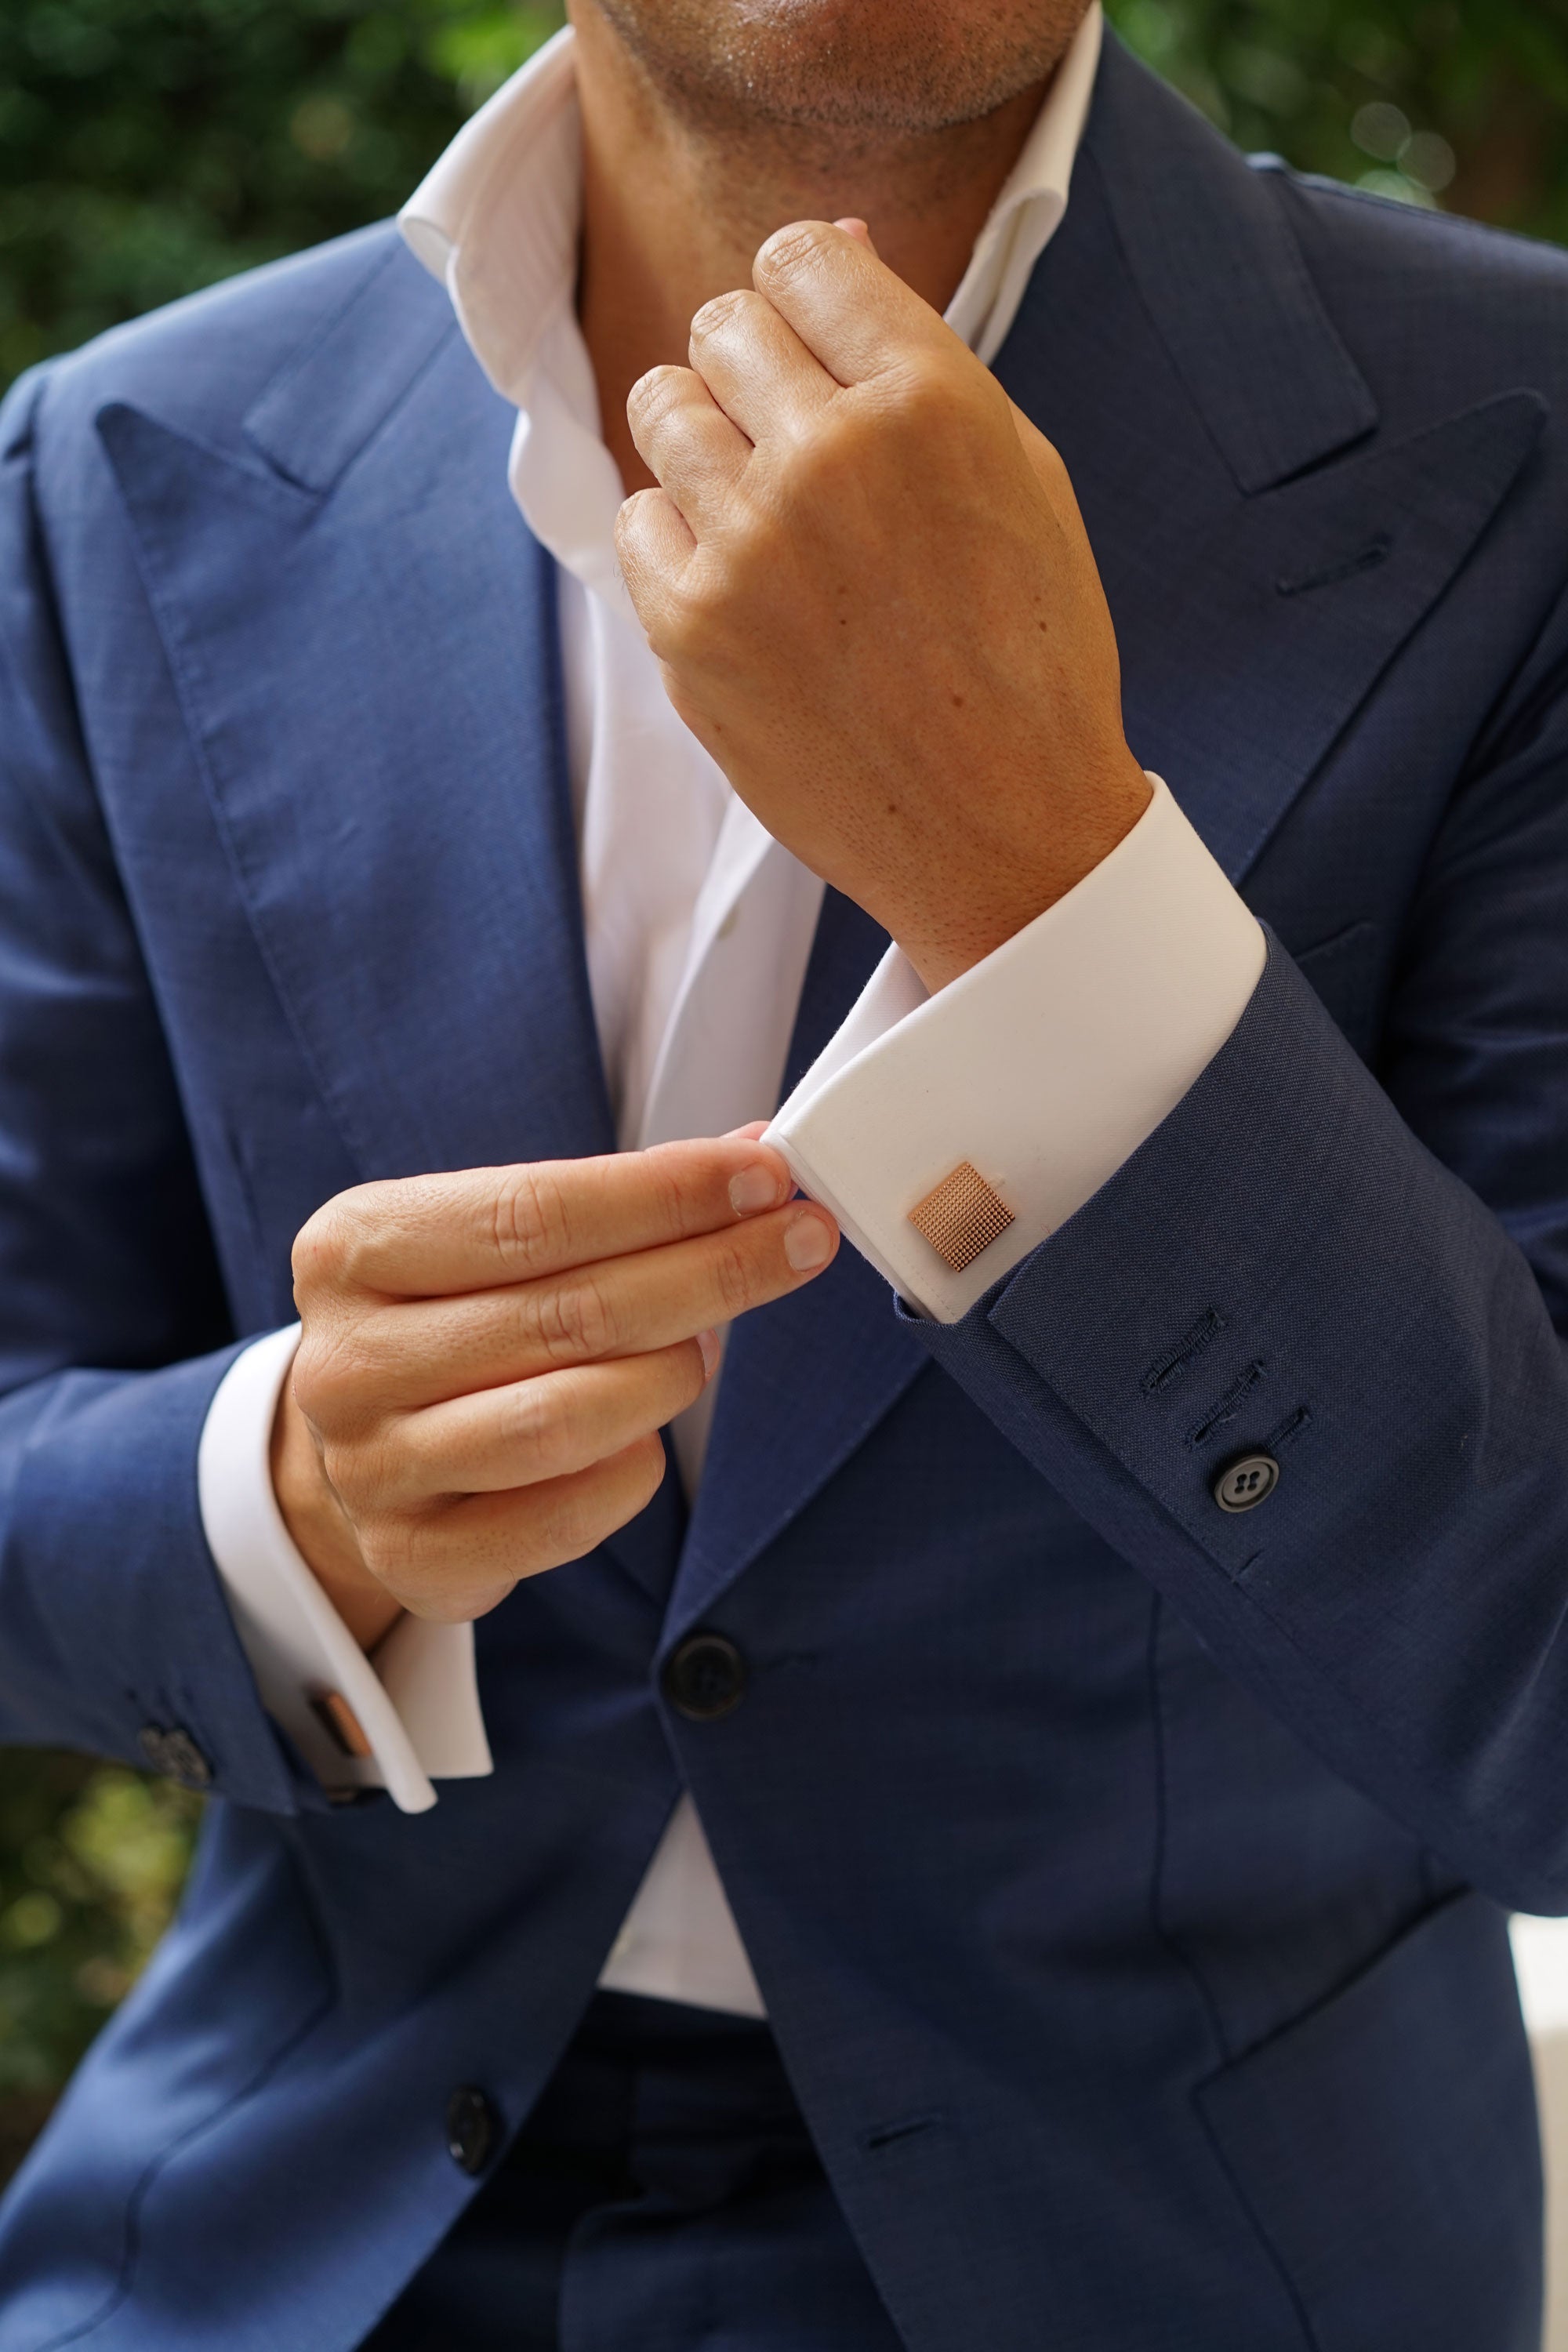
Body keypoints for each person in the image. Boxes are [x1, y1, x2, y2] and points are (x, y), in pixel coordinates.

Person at [0, 0, 1564, 2342]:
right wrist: (284, 1501)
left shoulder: (1522, 459)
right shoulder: (113, 469)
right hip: (296, 2246)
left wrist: (1056, 894)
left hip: (1182, 2261)